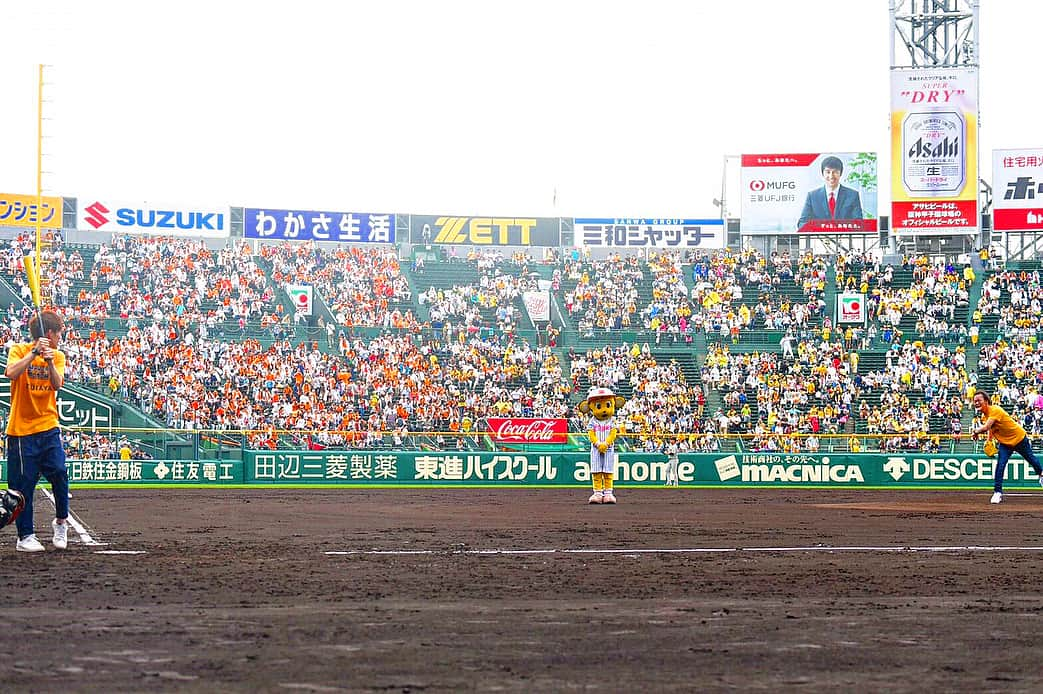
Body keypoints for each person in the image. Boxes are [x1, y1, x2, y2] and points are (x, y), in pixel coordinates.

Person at [5, 310, 70, 551]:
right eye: (59, 334)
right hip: (21, 431)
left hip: (48, 426)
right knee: (24, 486)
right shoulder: (19, 350)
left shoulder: (58, 356)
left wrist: (50, 360)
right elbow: (11, 373)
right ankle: (25, 537)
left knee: (60, 474)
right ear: (50, 334)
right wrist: (34, 353)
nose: (60, 339)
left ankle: (61, 522)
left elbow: (57, 384)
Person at [970, 391, 1043, 504]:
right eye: (975, 401)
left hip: (1019, 438)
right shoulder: (985, 416)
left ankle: (1041, 475)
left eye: (979, 400)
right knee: (1000, 465)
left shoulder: (995, 410)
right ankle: (997, 492)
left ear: (986, 401)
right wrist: (989, 440)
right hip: (1005, 443)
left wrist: (975, 432)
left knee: (1032, 460)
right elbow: (990, 428)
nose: (976, 403)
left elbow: (987, 427)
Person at [797, 155, 864, 229]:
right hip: (819, 239)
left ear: (840, 174)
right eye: (828, 172)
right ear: (823, 174)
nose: (831, 176)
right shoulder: (812, 196)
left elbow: (859, 223)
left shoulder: (852, 195)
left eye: (835, 172)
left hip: (845, 239)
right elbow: (802, 223)